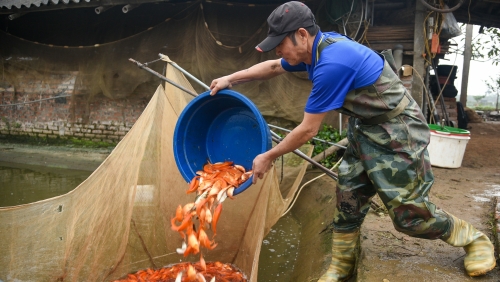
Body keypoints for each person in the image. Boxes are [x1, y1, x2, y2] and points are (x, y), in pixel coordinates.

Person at [209, 1, 496, 281]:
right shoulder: (315, 50)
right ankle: (341, 265)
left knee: (409, 215)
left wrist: (269, 155)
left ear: (301, 35)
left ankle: (473, 239)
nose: (279, 50)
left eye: (280, 43)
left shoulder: (332, 64)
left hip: (396, 131)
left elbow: (308, 130)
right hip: (365, 129)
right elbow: (274, 67)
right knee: (348, 196)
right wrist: (229, 79)